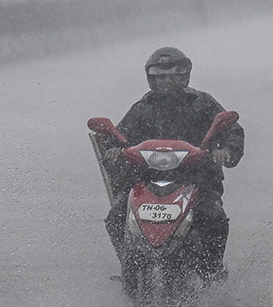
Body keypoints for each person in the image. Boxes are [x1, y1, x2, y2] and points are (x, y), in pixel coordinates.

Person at [101, 46, 244, 283]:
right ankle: (129, 265)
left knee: (214, 217)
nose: (167, 81)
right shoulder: (141, 109)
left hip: (197, 181)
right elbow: (116, 137)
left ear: (184, 75)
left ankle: (212, 271)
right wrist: (114, 151)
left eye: (173, 75)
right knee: (116, 216)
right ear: (151, 78)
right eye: (160, 76)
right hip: (146, 182)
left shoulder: (203, 103)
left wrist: (226, 152)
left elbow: (231, 130)